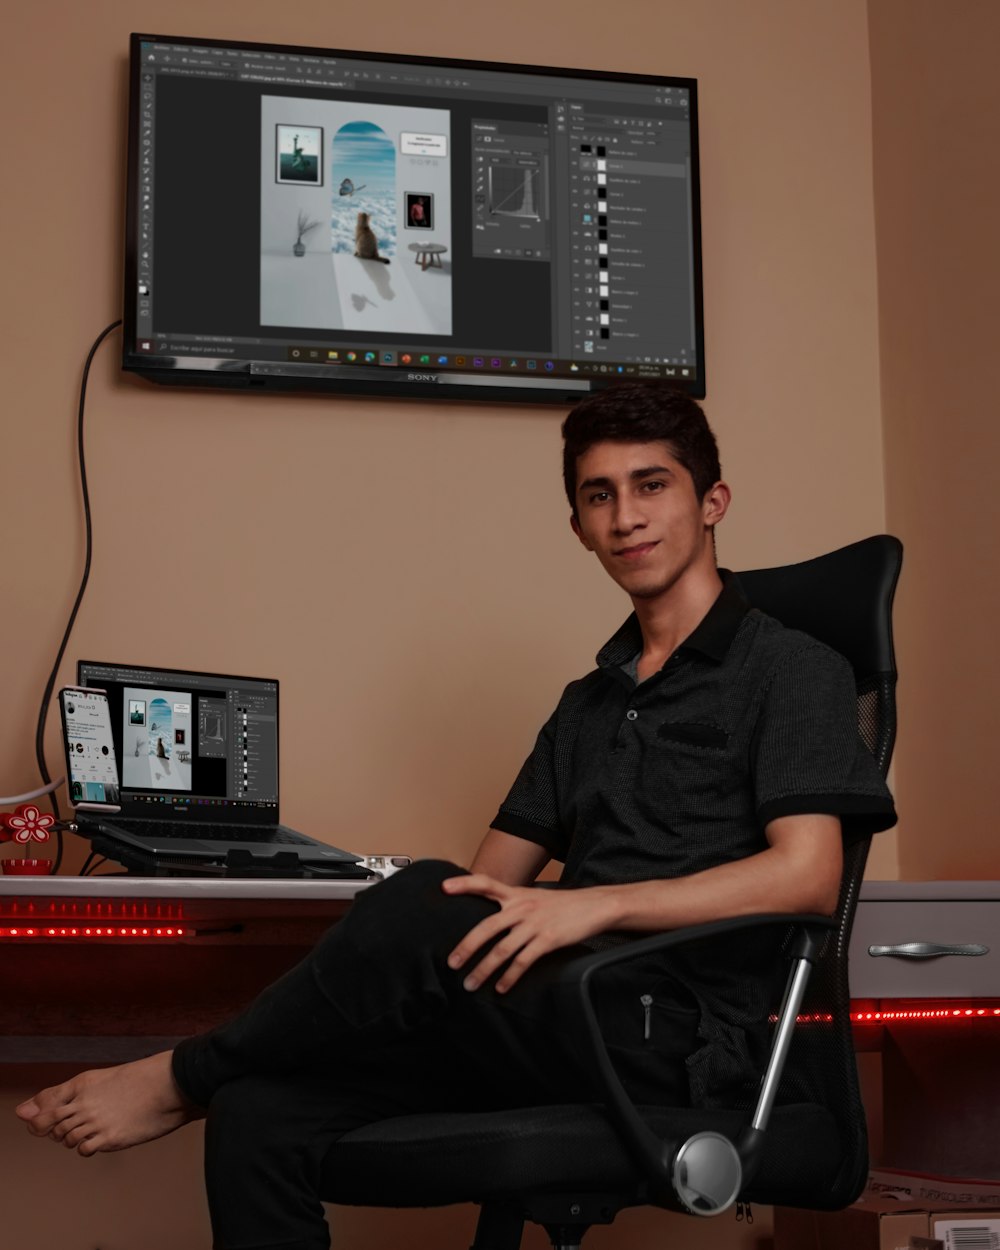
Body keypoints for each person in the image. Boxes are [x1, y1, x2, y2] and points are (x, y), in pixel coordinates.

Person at [16, 383, 895, 1250]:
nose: (626, 515)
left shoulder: (792, 668)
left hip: (685, 1037)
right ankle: (214, 1084)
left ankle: (179, 1076)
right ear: (579, 526)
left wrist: (594, 903)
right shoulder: (588, 705)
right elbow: (485, 888)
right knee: (261, 1111)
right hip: (567, 1015)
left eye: (651, 485)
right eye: (600, 495)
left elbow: (808, 877)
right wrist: (403, 911)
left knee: (417, 905)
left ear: (712, 503)